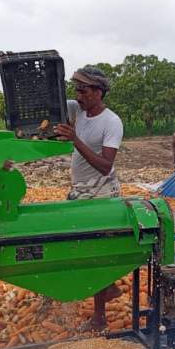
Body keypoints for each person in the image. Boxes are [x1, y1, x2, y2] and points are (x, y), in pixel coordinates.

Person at [54, 66, 123, 329]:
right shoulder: (76, 111)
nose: (78, 95)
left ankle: (100, 317)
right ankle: (109, 284)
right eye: (77, 90)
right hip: (81, 188)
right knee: (82, 244)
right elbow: (49, 99)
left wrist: (75, 140)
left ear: (98, 92)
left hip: (102, 189)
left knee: (96, 250)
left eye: (83, 90)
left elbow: (106, 165)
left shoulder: (111, 122)